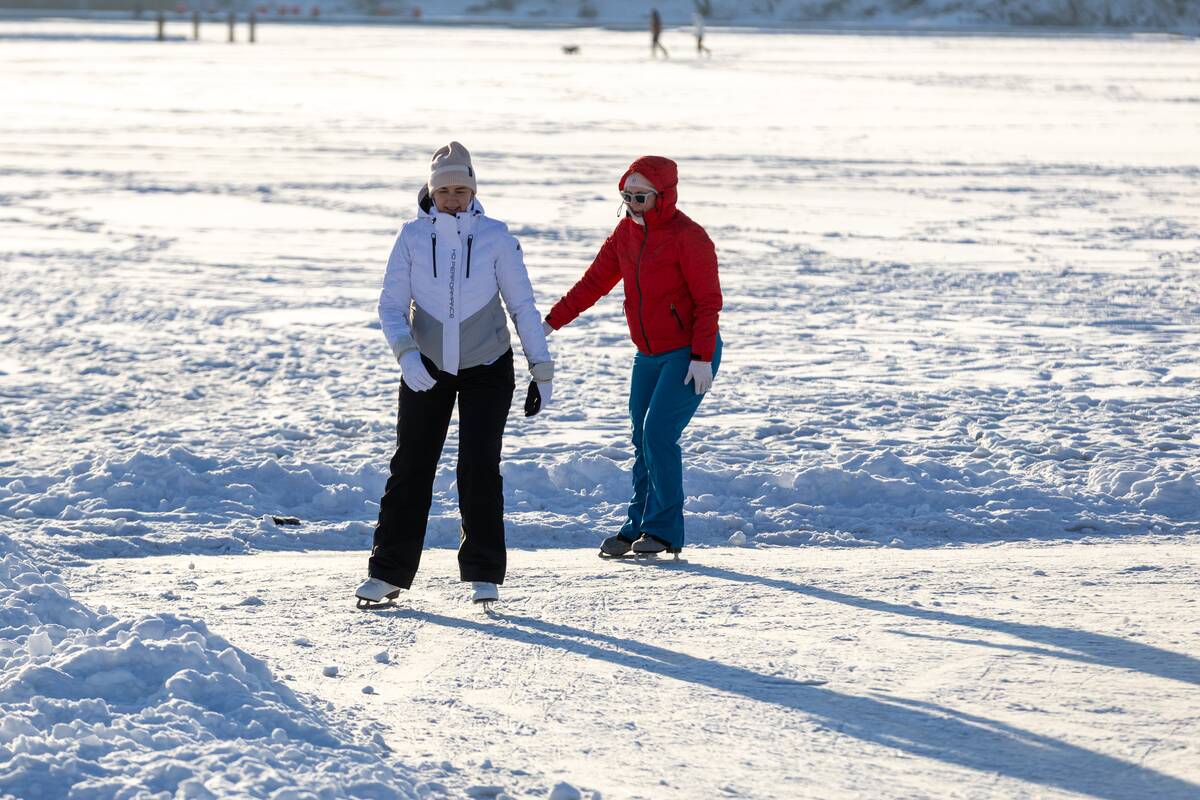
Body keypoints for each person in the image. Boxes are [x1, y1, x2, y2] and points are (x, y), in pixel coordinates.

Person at [356, 142, 554, 609]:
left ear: (473, 190)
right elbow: (390, 306)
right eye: (444, 190)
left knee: (478, 467)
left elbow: (522, 307)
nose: (453, 198)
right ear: (430, 191)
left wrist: (540, 368)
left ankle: (484, 573)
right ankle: (388, 574)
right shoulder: (410, 237)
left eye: (462, 189)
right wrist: (406, 356)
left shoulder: (496, 237)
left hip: (489, 366)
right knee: (411, 467)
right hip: (426, 366)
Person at [543, 156, 722, 558]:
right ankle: (636, 526)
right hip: (649, 353)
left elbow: (709, 301)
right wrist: (551, 322)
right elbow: (593, 283)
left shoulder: (688, 237)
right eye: (626, 196)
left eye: (640, 197)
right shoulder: (626, 233)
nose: (632, 204)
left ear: (663, 196)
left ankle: (664, 531)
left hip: (689, 351)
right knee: (642, 440)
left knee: (658, 433)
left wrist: (702, 355)